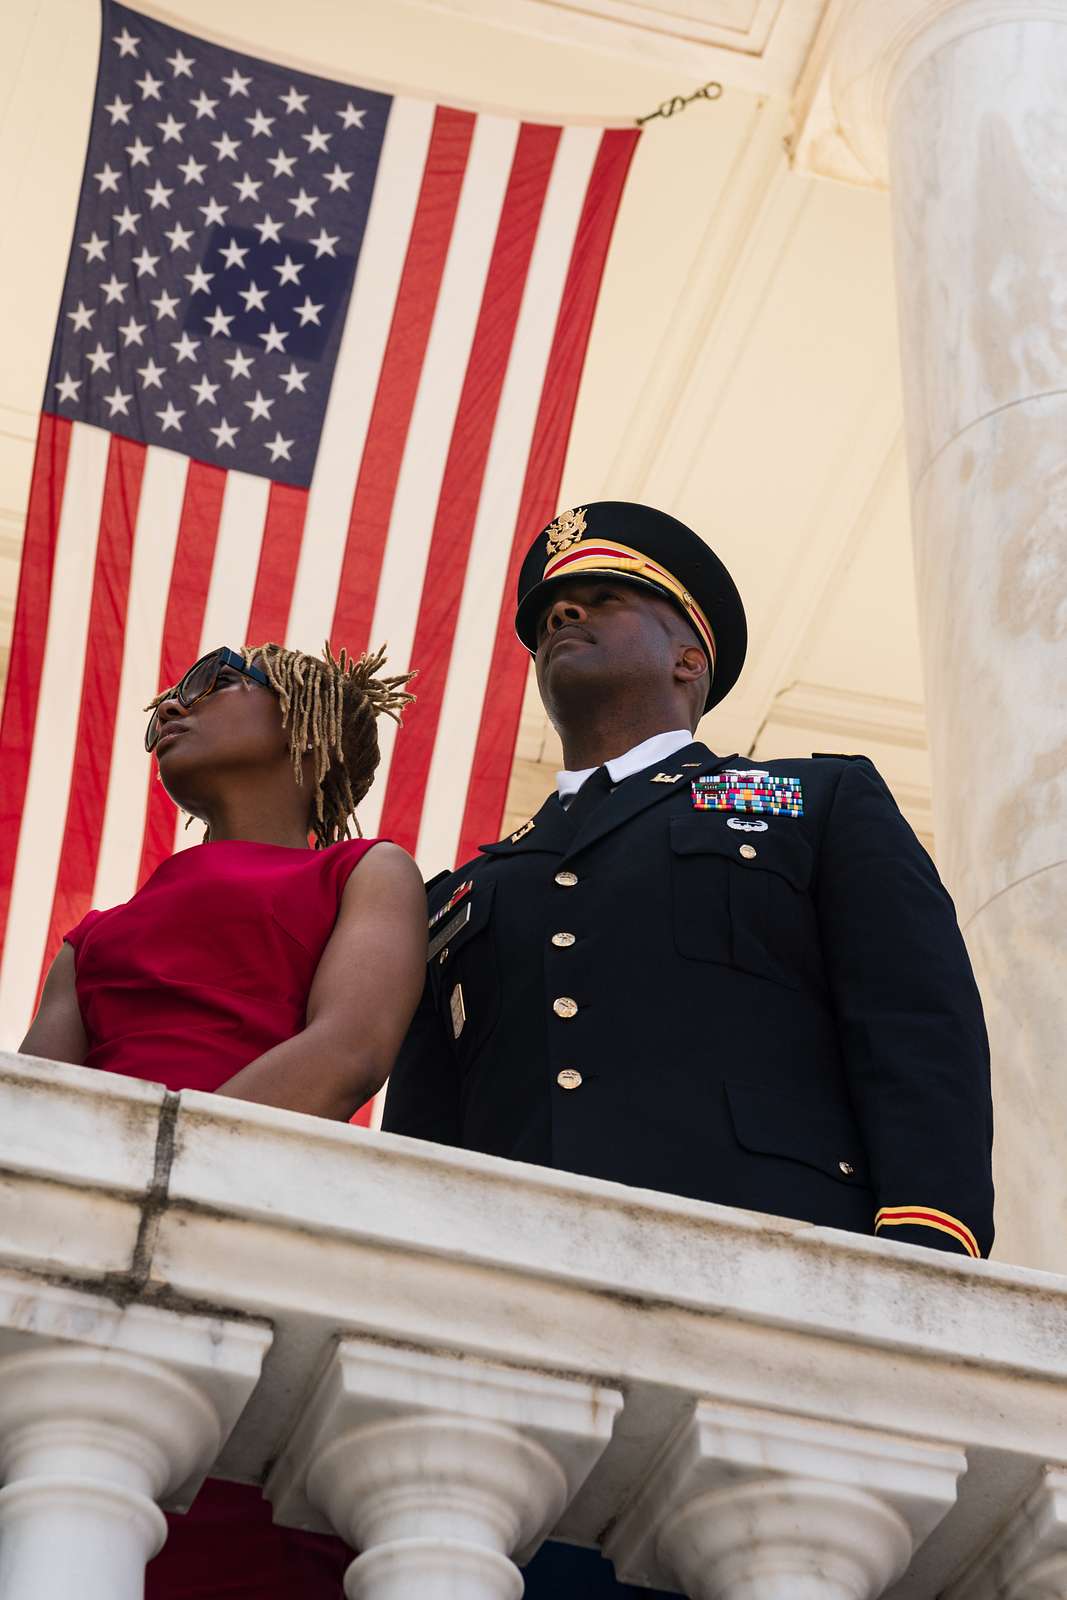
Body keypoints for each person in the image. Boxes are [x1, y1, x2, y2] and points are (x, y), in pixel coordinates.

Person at [382, 500, 995, 1597]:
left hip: (777, 1301)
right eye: (546, 617)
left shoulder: (816, 798)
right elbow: (429, 1130)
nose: (563, 615)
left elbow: (913, 1024)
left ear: (686, 653)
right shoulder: (466, 890)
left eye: (603, 598)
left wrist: (926, 1257)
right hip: (523, 1339)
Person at [22, 638, 426, 1599]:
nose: (174, 701)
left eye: (216, 681)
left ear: (311, 731)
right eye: (172, 688)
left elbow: (347, 1053)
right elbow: (38, 1107)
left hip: (259, 1240)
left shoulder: (366, 872)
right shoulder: (96, 932)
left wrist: (163, 1177)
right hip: (90, 1245)